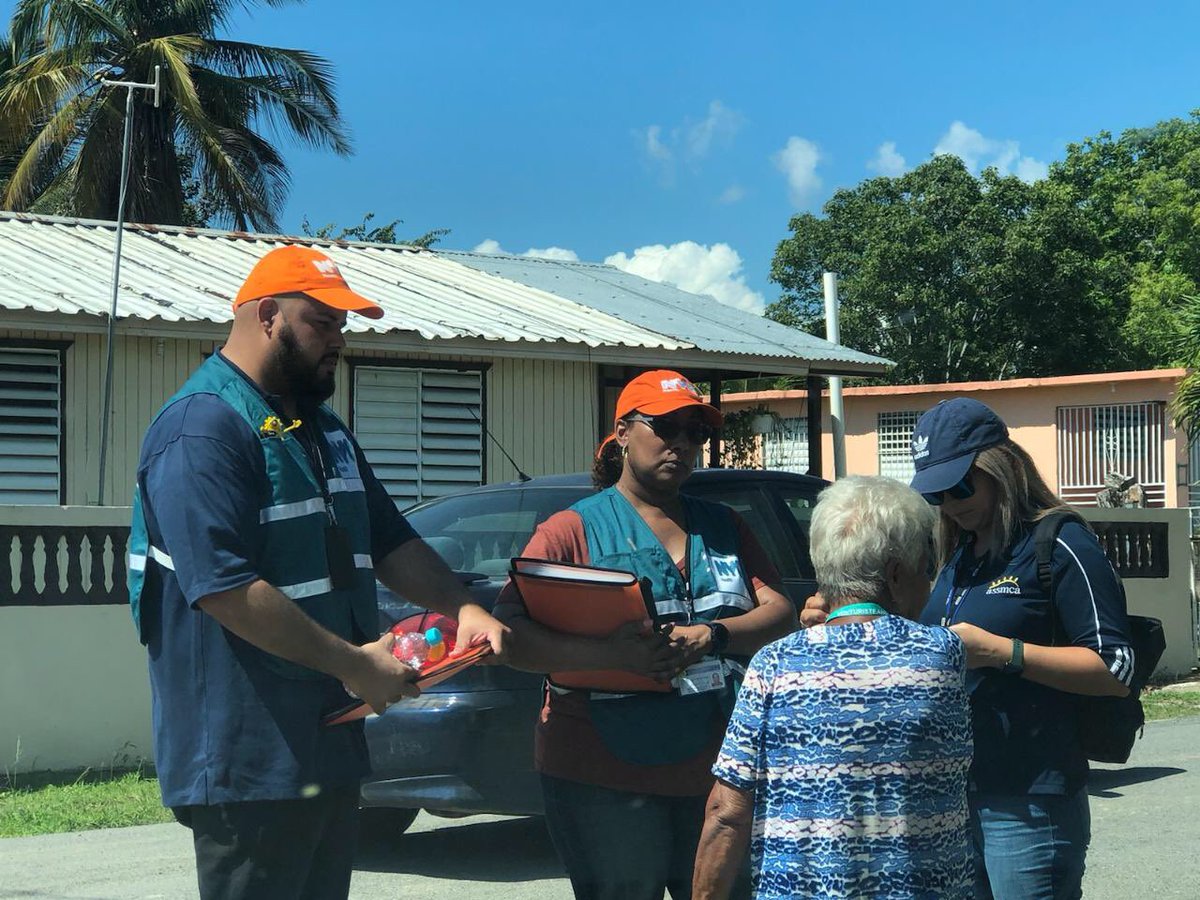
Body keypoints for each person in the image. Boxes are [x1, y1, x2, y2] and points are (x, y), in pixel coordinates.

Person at [127, 244, 508, 900]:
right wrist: (356, 665)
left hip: (327, 741)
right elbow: (224, 589)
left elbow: (388, 539)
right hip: (248, 758)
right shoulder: (201, 429)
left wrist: (463, 606)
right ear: (267, 316)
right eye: (323, 322)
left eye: (343, 325)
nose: (339, 340)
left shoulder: (322, 429)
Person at [802, 397, 1134, 900]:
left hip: (1028, 797)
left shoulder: (1059, 542)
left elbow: (1115, 668)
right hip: (950, 795)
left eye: (960, 485)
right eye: (937, 493)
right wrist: (845, 616)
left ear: (1002, 467)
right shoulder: (957, 554)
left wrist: (1003, 652)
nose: (951, 504)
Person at [493, 370, 797, 900]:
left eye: (695, 432)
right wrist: (609, 655)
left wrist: (712, 635)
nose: (681, 443)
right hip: (602, 774)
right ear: (622, 433)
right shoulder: (572, 530)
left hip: (715, 768)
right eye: (665, 427)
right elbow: (510, 637)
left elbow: (780, 613)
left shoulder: (724, 526)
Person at [693, 475, 973, 900]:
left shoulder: (774, 664)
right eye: (925, 568)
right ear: (896, 574)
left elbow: (726, 811)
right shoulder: (942, 654)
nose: (928, 582)